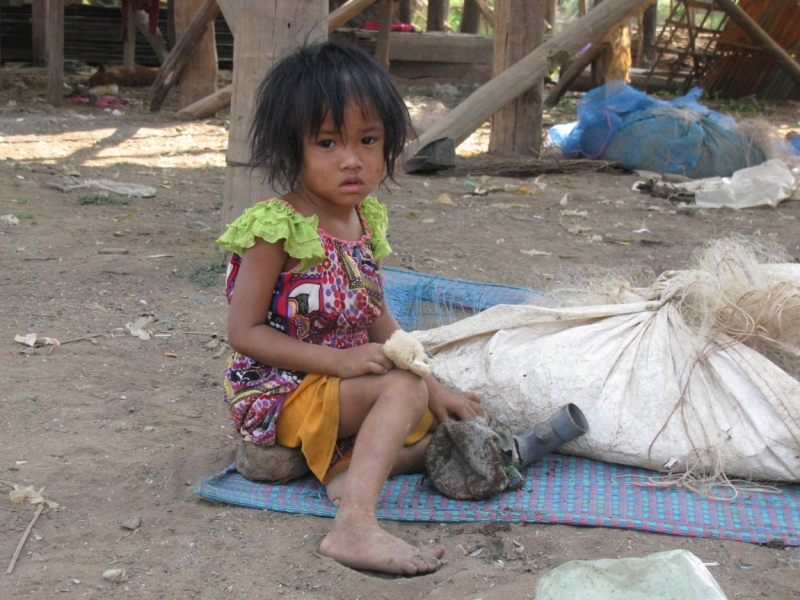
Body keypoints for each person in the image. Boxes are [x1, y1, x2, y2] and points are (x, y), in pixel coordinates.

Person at [216, 41, 485, 575]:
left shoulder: (363, 220)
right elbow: (243, 332)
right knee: (400, 391)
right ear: (291, 151)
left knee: (425, 404)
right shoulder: (275, 227)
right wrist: (339, 363)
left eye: (368, 140)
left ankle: (338, 473)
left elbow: (375, 315)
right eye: (327, 142)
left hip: (338, 387)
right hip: (279, 389)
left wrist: (437, 388)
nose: (351, 159)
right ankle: (354, 525)